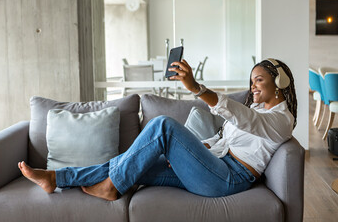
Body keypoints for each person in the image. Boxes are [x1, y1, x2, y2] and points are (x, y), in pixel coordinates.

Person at [18, 58, 297, 201]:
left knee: (163, 125)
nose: (252, 86)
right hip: (214, 166)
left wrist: (197, 88)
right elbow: (225, 137)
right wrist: (196, 151)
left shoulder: (281, 120)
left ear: (279, 81)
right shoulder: (260, 110)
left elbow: (245, 120)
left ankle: (111, 188)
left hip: (228, 179)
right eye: (251, 81)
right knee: (131, 163)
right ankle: (57, 178)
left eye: (259, 80)